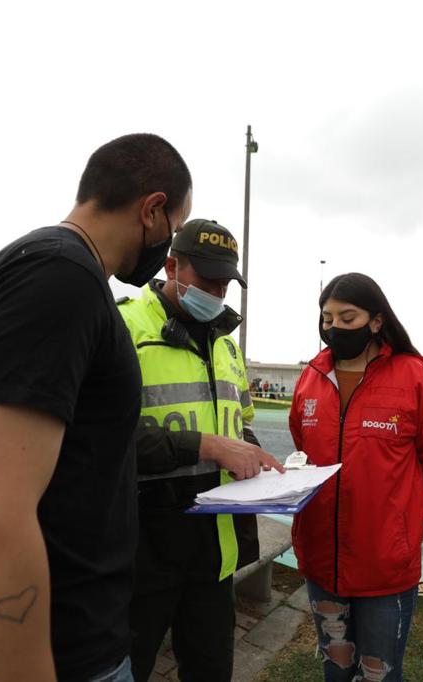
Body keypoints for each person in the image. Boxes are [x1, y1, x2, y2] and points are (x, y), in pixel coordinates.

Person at [0, 133, 193, 682]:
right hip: (51, 652)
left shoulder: (62, 273)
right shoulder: (58, 278)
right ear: (153, 209)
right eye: (175, 229)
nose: (168, 247)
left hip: (77, 638)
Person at [119, 219, 284, 682]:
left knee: (211, 669)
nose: (215, 291)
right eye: (206, 278)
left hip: (214, 550)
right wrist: (205, 445)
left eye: (224, 282)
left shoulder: (227, 346)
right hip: (142, 548)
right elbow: (100, 437)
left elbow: (239, 423)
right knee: (127, 668)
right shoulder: (125, 324)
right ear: (171, 265)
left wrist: (256, 455)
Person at [289, 273, 423, 682]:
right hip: (321, 559)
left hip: (385, 565)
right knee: (337, 667)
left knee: (378, 674)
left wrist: (408, 519)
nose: (334, 327)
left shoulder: (414, 377)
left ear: (377, 321)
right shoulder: (312, 376)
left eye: (348, 317)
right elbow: (303, 443)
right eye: (327, 318)